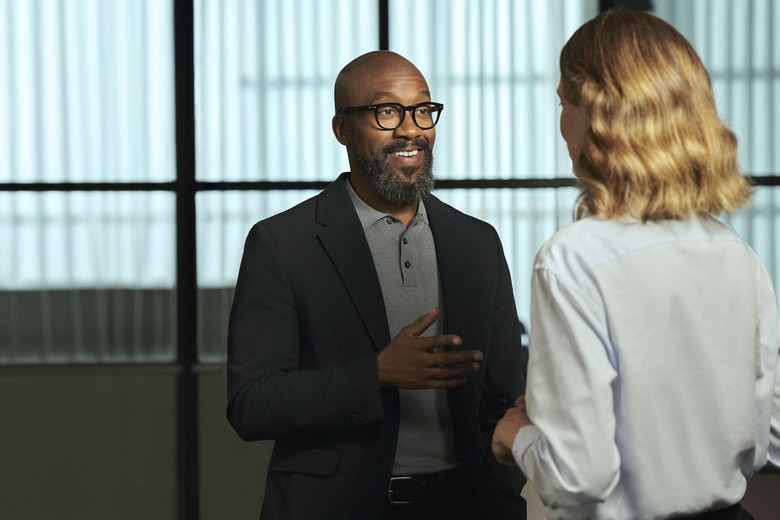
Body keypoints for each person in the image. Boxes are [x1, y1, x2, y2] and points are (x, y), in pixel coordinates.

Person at [491, 8, 780, 520]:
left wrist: (518, 436)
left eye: (563, 102)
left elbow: (578, 476)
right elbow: (769, 437)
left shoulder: (572, 259)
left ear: (596, 113)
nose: (561, 124)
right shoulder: (737, 253)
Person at [227, 50, 528, 520]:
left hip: (467, 505)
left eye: (423, 109)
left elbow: (504, 399)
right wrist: (376, 375)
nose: (411, 129)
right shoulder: (283, 243)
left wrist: (506, 493)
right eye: (387, 111)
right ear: (342, 129)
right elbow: (252, 404)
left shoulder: (477, 242)